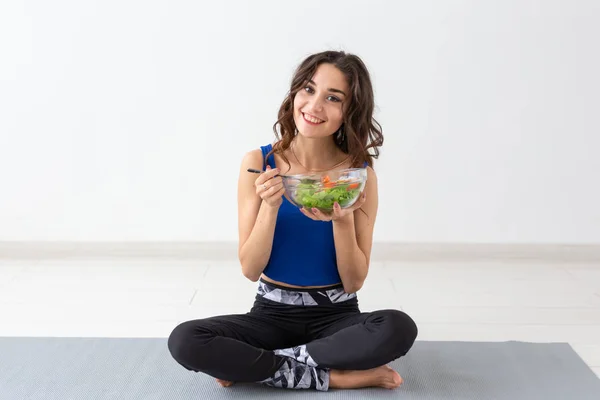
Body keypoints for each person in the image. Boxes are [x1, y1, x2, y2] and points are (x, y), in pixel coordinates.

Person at [167, 50, 418, 391]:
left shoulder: (359, 176)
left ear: (350, 111)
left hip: (337, 317)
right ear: (295, 93)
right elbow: (251, 269)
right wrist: (270, 207)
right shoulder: (258, 161)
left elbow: (353, 282)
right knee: (185, 340)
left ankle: (262, 365)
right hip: (269, 314)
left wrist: (342, 221)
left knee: (398, 327)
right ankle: (332, 377)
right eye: (309, 90)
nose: (314, 106)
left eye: (333, 98)